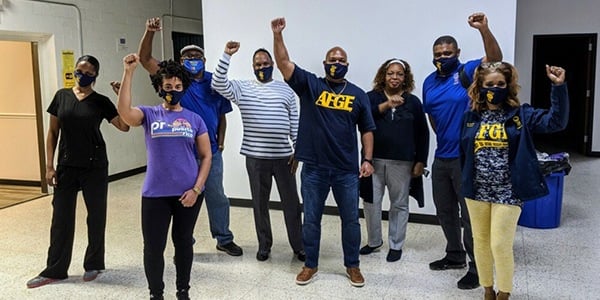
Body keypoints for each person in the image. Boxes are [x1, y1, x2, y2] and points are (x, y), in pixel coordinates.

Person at [271, 17, 376, 287]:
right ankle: (311, 265)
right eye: (332, 59)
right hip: (315, 168)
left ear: (347, 65)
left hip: (346, 171)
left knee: (351, 221)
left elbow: (367, 129)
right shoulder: (311, 85)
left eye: (341, 60)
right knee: (312, 220)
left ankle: (352, 266)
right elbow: (284, 64)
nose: (336, 63)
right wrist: (278, 35)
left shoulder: (358, 94)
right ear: (325, 63)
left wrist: (367, 159)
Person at [461, 62, 568, 300]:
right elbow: (464, 151)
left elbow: (556, 122)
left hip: (509, 192)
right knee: (480, 242)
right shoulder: (471, 117)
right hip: (477, 191)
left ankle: (504, 292)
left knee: (499, 244)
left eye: (500, 84)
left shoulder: (521, 114)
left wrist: (558, 87)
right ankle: (487, 289)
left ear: (508, 86)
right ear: (480, 87)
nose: (495, 88)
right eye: (489, 84)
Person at [138, 17, 242, 256]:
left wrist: (222, 140)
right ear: (180, 61)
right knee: (183, 198)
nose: (192, 61)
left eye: (197, 57)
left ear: (204, 61)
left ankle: (223, 238)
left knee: (216, 196)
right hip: (182, 154)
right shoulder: (177, 81)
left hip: (210, 152)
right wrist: (149, 32)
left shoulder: (215, 82)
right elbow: (144, 59)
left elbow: (222, 114)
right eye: (187, 57)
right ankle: (186, 241)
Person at [26, 55, 130, 289]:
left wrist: (120, 96)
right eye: (79, 70)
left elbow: (124, 126)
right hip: (66, 166)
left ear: (95, 76)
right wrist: (49, 166)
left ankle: (93, 264)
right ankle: (55, 269)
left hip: (95, 166)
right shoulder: (61, 96)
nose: (82, 74)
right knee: (61, 218)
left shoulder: (101, 101)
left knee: (96, 216)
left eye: (88, 72)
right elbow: (53, 133)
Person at [117, 53, 212, 300]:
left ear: (184, 87)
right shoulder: (149, 115)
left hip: (188, 194)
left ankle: (183, 291)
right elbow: (125, 113)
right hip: (155, 194)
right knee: (153, 248)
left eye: (178, 86)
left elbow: (206, 156)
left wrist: (197, 189)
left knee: (183, 244)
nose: (173, 90)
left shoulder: (195, 119)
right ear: (160, 87)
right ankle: (156, 294)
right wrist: (128, 73)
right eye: (168, 86)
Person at [422, 12, 502, 290]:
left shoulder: (465, 73)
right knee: (444, 211)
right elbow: (432, 116)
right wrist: (444, 137)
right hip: (442, 156)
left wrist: (484, 30)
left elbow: (495, 60)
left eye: (447, 52)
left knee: (470, 217)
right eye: (438, 53)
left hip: (466, 158)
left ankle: (477, 267)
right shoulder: (429, 82)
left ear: (457, 53)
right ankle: (454, 255)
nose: (442, 57)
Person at [211, 41, 305, 262]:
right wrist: (226, 55)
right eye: (257, 64)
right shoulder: (243, 88)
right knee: (260, 204)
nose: (262, 67)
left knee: (291, 203)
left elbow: (295, 121)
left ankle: (299, 246)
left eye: (265, 63)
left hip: (284, 158)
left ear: (272, 64)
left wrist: (297, 149)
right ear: (253, 67)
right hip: (255, 158)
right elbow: (217, 83)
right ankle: (264, 245)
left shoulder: (287, 90)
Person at [360, 58, 429, 262]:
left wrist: (421, 161)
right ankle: (373, 242)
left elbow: (423, 133)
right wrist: (386, 104)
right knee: (371, 202)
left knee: (399, 204)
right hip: (372, 160)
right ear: (384, 75)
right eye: (391, 73)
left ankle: (396, 244)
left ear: (405, 77)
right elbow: (363, 119)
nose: (395, 77)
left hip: (403, 162)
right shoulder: (370, 98)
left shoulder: (413, 102)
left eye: (399, 73)